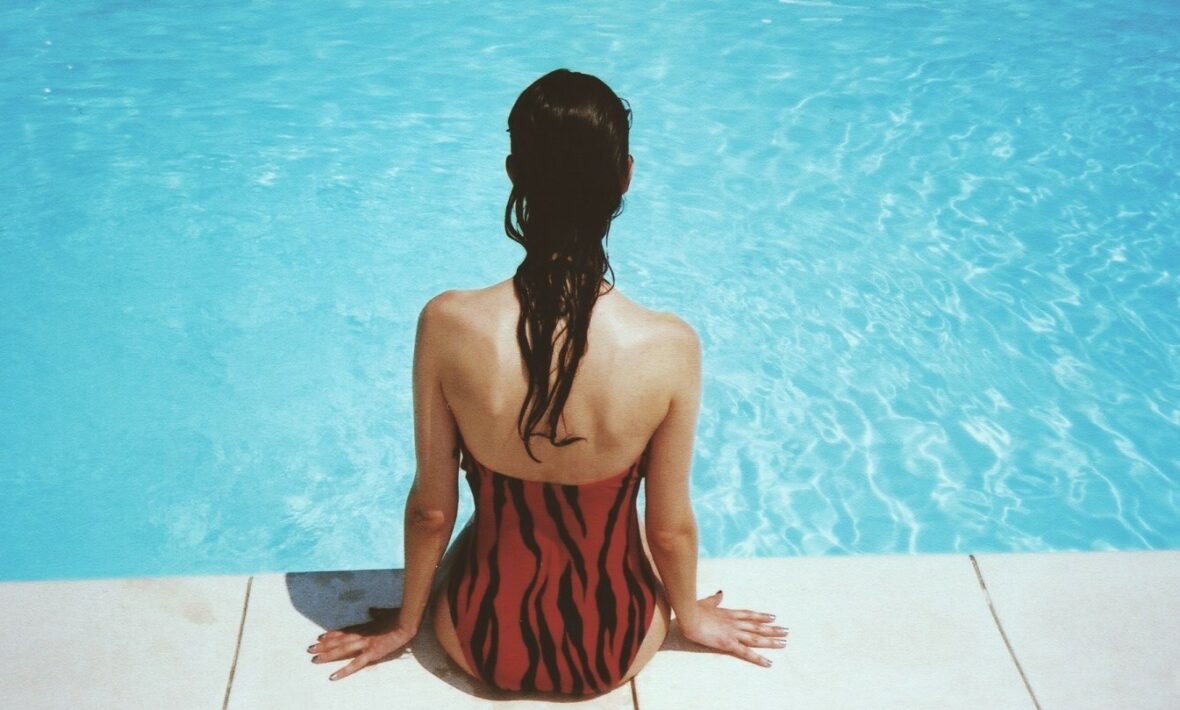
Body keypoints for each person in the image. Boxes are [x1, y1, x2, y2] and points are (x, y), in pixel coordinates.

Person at [306, 68, 787, 695]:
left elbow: (431, 510)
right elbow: (668, 529)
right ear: (626, 176)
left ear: (514, 172)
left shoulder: (448, 323)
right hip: (616, 646)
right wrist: (689, 616)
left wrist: (404, 624)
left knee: (494, 526)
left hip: (477, 638)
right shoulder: (668, 345)